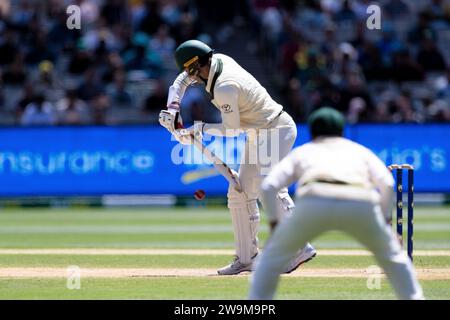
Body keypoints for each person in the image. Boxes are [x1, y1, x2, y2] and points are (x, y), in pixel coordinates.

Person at [159, 39, 316, 275]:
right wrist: (173, 107)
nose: (190, 78)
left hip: (276, 129)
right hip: (259, 132)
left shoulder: (224, 86)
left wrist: (197, 129)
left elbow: (231, 130)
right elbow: (181, 81)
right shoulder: (215, 60)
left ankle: (300, 246)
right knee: (238, 190)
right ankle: (247, 258)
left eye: (190, 72)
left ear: (196, 67)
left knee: (268, 189)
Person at [248, 107, 424, 300]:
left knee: (270, 261)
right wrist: (386, 223)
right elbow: (388, 184)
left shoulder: (304, 151)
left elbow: (269, 186)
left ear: (313, 132)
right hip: (359, 200)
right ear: (342, 130)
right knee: (394, 258)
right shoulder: (358, 150)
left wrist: (275, 226)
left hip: (314, 199)